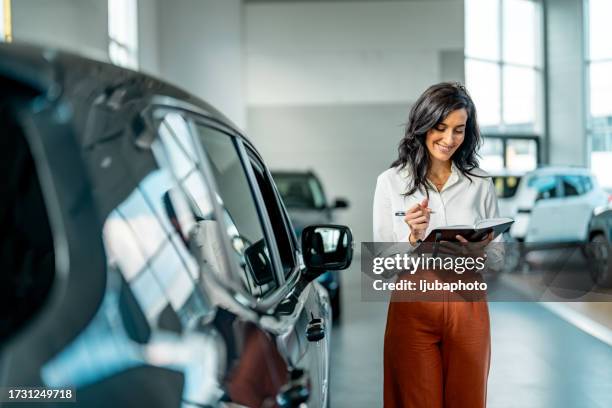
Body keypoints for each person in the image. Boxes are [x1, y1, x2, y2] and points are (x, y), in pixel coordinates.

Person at [373, 82, 503, 408]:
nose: (449, 139)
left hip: (469, 305)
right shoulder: (391, 183)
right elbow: (382, 266)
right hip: (413, 307)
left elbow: (499, 258)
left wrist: (482, 252)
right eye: (440, 127)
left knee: (468, 401)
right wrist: (411, 239)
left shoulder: (480, 183)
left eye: (459, 130)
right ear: (423, 124)